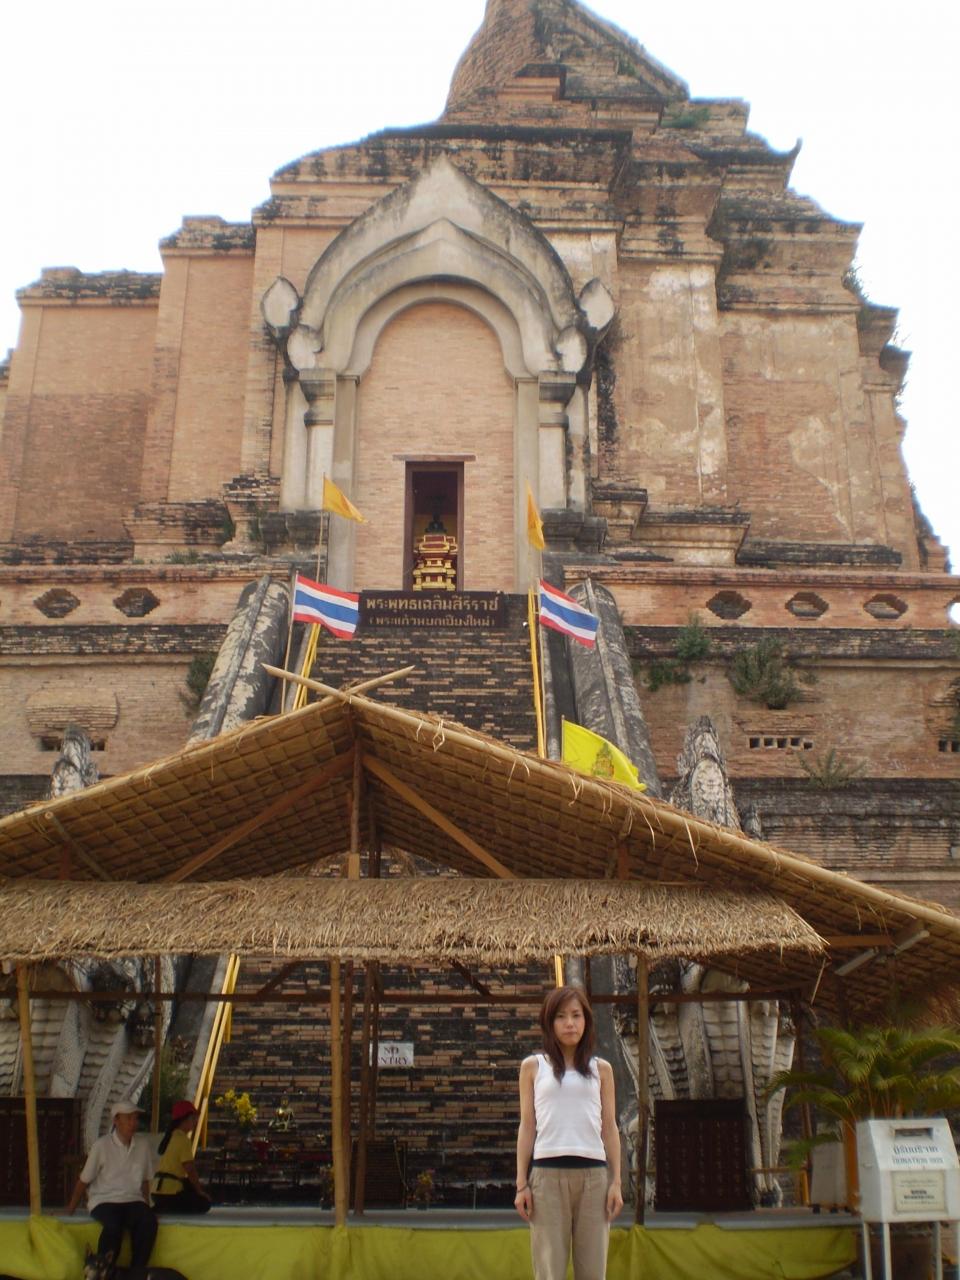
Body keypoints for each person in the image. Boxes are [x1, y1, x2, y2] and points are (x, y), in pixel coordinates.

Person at [515, 985, 623, 1280]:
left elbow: (609, 1127)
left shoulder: (602, 1069)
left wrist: (616, 1182)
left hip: (594, 1178)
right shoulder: (533, 1067)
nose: (570, 1023)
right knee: (550, 1271)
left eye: (576, 1015)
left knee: (593, 1271)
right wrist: (521, 1184)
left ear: (586, 1020)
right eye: (561, 1016)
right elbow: (527, 1126)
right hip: (546, 1179)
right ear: (549, 1022)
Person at [66, 1099, 157, 1268]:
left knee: (148, 1221)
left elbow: (145, 1180)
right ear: (116, 1120)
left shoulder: (143, 1145)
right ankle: (103, 1270)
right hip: (104, 1200)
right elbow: (84, 1180)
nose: (133, 1123)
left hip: (133, 1199)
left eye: (135, 1118)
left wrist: (147, 1205)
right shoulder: (101, 1145)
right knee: (114, 1226)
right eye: (128, 1118)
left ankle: (137, 1271)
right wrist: (70, 1209)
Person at [152, 1100, 212, 1214]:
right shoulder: (183, 1140)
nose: (195, 1122)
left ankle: (162, 1206)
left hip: (155, 1192)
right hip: (171, 1193)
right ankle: (167, 1207)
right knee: (204, 1203)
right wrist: (199, 1191)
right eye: (193, 1118)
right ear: (185, 1119)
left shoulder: (169, 1137)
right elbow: (190, 1169)